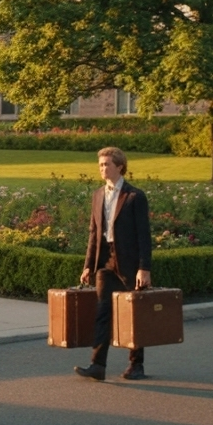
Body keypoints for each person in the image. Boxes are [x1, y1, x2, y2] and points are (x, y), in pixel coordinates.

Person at [76, 146, 153, 381]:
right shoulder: (98, 195)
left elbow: (144, 235)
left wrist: (144, 268)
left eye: (106, 164)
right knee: (102, 313)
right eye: (100, 165)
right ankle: (97, 365)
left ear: (120, 166)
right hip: (105, 261)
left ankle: (136, 364)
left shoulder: (134, 196)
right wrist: (88, 264)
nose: (102, 168)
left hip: (129, 261)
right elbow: (93, 232)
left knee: (133, 314)